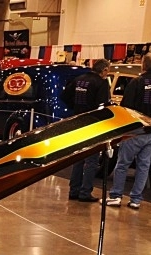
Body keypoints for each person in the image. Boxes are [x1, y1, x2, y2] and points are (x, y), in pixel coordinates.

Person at [105, 52, 151, 209]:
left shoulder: (136, 83)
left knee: (122, 164)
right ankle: (136, 199)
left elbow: (126, 107)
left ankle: (116, 196)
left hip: (135, 130)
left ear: (143, 64)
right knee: (144, 166)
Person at [63, 59, 111, 201]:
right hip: (92, 124)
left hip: (78, 121)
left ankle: (74, 190)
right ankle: (85, 192)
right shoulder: (101, 83)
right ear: (104, 70)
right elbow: (102, 105)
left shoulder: (79, 79)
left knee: (78, 157)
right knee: (91, 160)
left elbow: (64, 96)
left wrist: (75, 108)